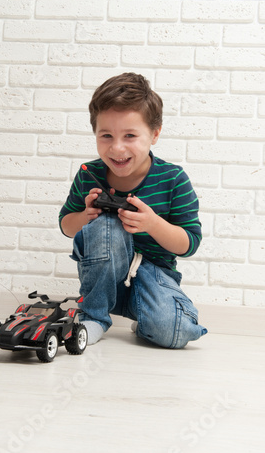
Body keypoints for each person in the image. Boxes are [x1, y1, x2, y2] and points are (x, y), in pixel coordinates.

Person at [59, 72, 207, 349]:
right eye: (106, 135)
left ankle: (146, 315)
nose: (117, 148)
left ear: (155, 134)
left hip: (154, 275)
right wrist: (85, 216)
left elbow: (189, 244)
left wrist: (153, 224)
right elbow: (66, 225)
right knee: (106, 225)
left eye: (130, 135)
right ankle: (94, 315)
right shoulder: (89, 174)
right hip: (104, 271)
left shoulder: (173, 179)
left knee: (174, 333)